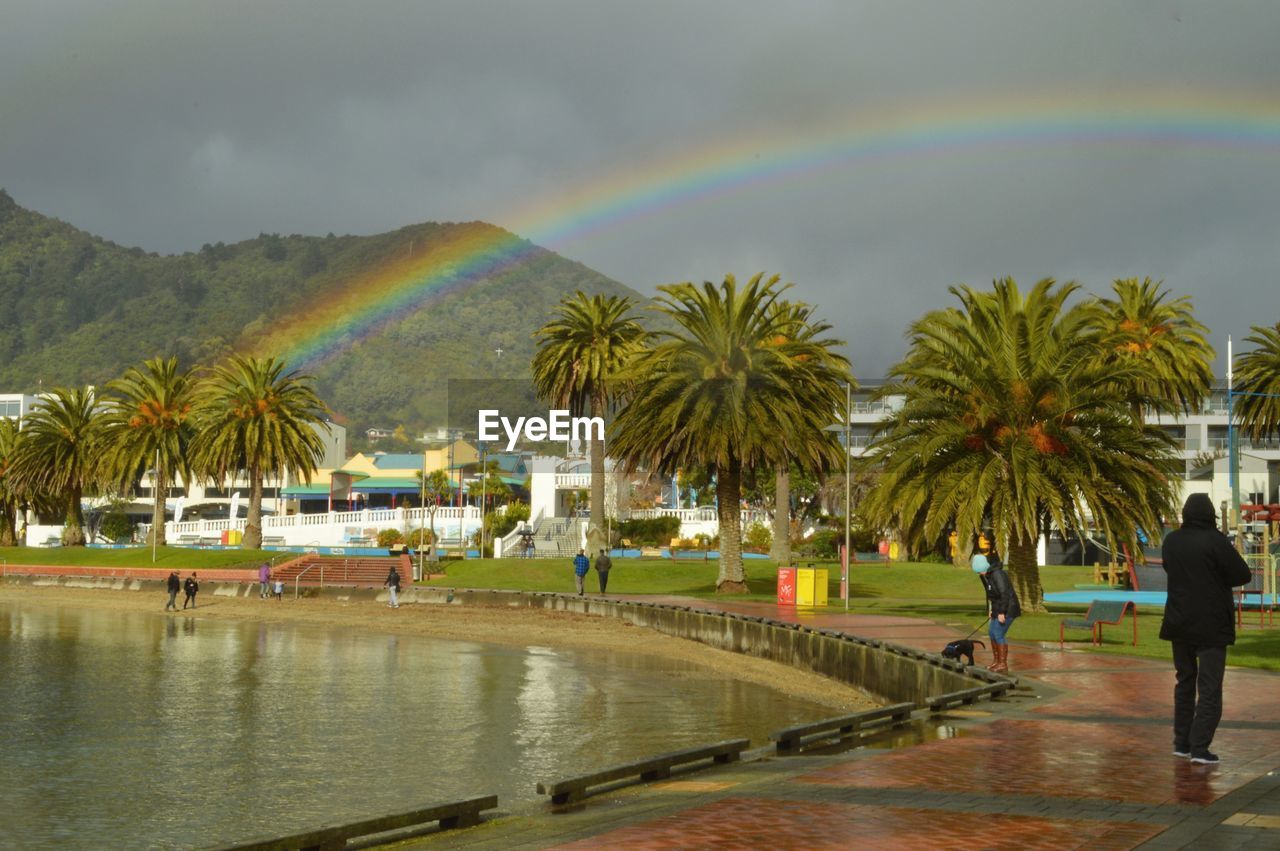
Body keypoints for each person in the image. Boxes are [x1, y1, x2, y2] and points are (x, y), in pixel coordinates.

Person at [1160, 493, 1253, 765]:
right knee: (1210, 687)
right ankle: (1200, 747)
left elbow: (1169, 568)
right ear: (1210, 515)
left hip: (1179, 622)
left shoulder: (1172, 541)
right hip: (1211, 625)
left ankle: (1182, 742)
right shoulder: (1215, 541)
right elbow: (1242, 574)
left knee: (1185, 681)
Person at [972, 548, 1019, 673]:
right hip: (998, 608)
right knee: (992, 632)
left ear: (983, 567)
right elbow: (992, 596)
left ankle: (1003, 664)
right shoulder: (986, 576)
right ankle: (996, 662)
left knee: (998, 634)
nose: (978, 574)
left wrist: (1002, 613)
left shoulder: (997, 574)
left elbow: (1004, 594)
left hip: (1009, 608)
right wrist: (992, 611)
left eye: (978, 571)